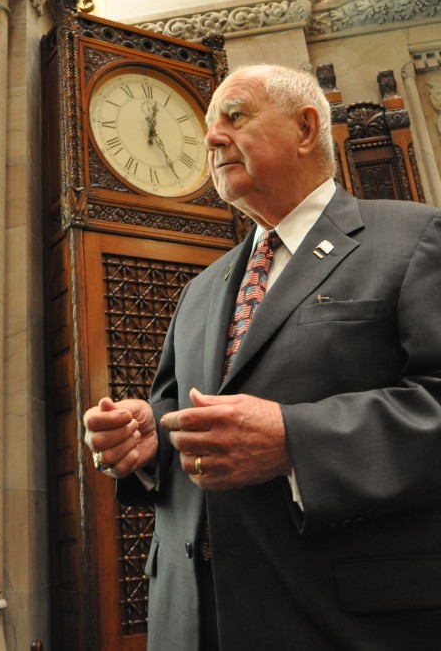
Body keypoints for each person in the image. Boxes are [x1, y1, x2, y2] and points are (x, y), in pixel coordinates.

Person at [84, 63, 441, 651]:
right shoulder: (201, 289)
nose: (211, 138)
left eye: (235, 116)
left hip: (342, 621)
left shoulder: (414, 240)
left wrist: (293, 441)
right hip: (193, 622)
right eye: (207, 125)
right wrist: (147, 439)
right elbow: (175, 411)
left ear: (305, 128)